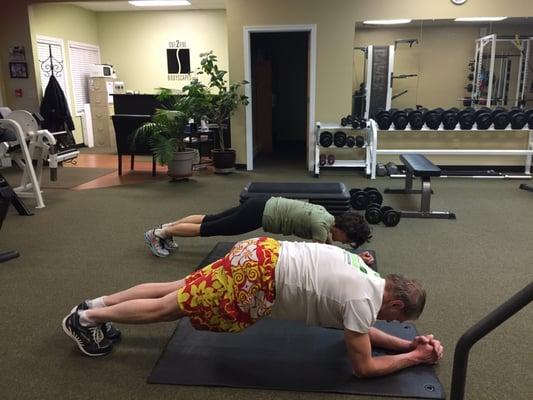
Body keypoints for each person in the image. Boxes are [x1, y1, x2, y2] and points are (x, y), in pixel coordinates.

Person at [62, 237, 443, 378]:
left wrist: (410, 346)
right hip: (258, 274)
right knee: (171, 307)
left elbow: (358, 331)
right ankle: (86, 318)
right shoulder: (364, 301)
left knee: (177, 286)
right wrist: (416, 359)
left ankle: (95, 304)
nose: (388, 321)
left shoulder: (364, 271)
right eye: (395, 317)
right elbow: (363, 367)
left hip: (259, 251)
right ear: (393, 301)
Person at [144, 196, 372, 258]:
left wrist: (345, 252)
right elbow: (320, 254)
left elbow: (328, 245)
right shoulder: (321, 228)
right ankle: (158, 234)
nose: (342, 242)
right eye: (346, 239)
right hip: (258, 214)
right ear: (341, 229)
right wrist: (352, 259)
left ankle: (166, 228)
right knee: (208, 229)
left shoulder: (326, 217)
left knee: (210, 219)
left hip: (261, 203)